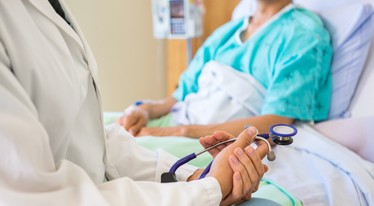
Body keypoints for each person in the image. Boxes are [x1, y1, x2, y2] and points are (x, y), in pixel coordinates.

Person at [0, 0, 298, 206]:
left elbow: (82, 137)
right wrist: (208, 189)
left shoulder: (303, 30)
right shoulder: (227, 32)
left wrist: (194, 177)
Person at [119, 0, 333, 138]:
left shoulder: (305, 34)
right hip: (179, 120)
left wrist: (179, 133)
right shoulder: (226, 33)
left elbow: (276, 121)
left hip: (212, 139)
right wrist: (145, 110)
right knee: (104, 131)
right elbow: (179, 95)